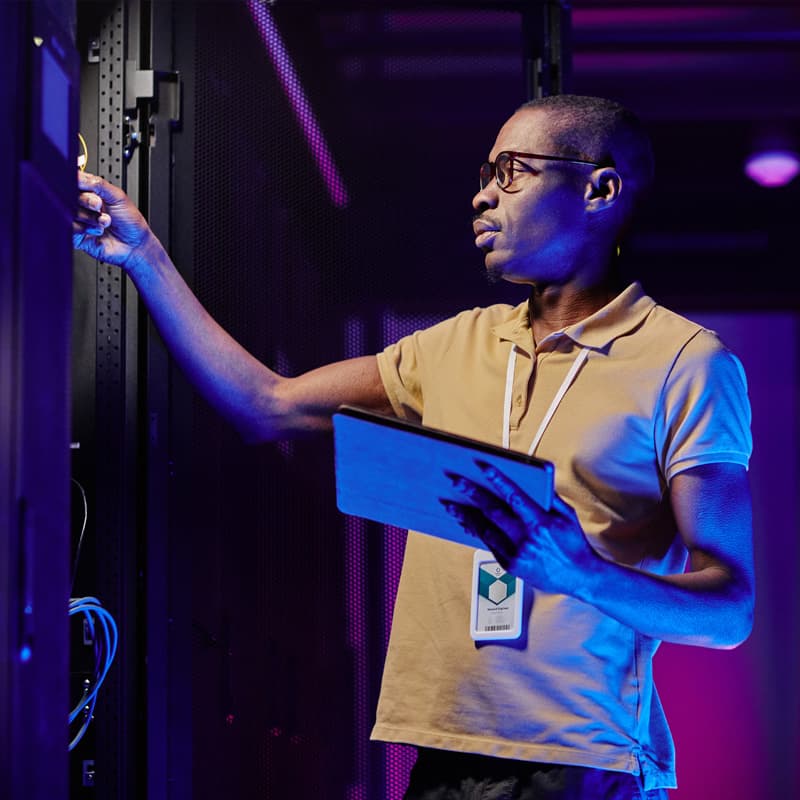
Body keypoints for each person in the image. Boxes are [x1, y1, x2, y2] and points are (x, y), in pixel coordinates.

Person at [74, 94, 754, 799]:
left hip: (584, 761)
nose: (482, 195)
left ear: (600, 189)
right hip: (439, 750)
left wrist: (581, 573)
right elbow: (266, 404)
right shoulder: (456, 344)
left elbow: (730, 611)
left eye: (511, 172)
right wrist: (144, 256)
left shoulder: (688, 363)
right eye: (485, 173)